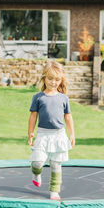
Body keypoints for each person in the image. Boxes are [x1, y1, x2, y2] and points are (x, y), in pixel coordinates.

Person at [28, 61, 75, 200]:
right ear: (44, 78)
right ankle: (36, 173)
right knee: (37, 162)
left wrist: (72, 134)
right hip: (42, 134)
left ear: (61, 80)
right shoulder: (38, 97)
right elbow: (33, 116)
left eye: (57, 79)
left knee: (56, 165)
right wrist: (30, 132)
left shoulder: (63, 98)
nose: (53, 82)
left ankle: (54, 191)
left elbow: (68, 117)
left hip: (59, 135)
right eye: (50, 78)